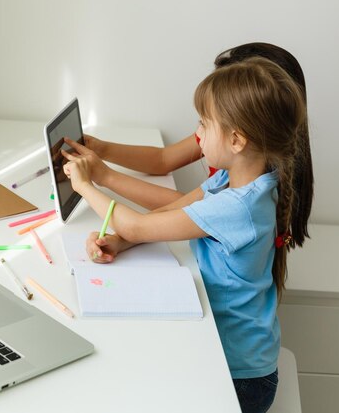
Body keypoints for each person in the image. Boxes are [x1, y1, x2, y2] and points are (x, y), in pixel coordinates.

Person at [61, 57, 313, 413]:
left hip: (240, 379)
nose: (197, 133)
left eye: (204, 124)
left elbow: (137, 223)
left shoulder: (239, 207)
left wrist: (85, 185)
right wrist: (120, 240)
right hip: (227, 354)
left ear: (237, 140)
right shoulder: (235, 180)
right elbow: (175, 213)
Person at [78, 42, 313, 217]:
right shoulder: (231, 141)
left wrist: (104, 177)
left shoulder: (248, 179)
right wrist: (100, 149)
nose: (201, 128)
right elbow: (163, 160)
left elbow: (196, 209)